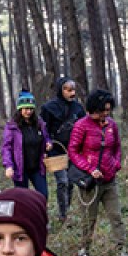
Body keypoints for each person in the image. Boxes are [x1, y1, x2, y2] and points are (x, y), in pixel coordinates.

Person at [67, 89, 128, 256]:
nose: (105, 114)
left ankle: (121, 252)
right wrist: (88, 169)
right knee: (89, 219)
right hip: (90, 183)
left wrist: (116, 164)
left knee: (116, 216)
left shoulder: (112, 125)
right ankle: (84, 251)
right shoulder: (82, 125)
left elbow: (116, 147)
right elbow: (73, 151)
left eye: (108, 110)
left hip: (109, 180)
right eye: (102, 111)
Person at [41, 77, 86, 221]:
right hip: (55, 150)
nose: (71, 93)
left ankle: (65, 213)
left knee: (71, 182)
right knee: (63, 181)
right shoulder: (49, 108)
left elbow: (85, 127)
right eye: (68, 90)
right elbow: (42, 129)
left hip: (73, 151)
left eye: (73, 90)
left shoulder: (78, 108)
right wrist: (44, 149)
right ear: (61, 90)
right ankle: (62, 214)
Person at [2, 91, 52, 198]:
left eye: (31, 109)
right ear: (20, 109)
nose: (28, 111)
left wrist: (48, 143)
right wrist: (8, 166)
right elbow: (6, 147)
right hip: (20, 168)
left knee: (43, 195)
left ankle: (39, 214)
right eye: (25, 109)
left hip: (37, 167)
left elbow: (46, 137)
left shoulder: (39, 123)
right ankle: (24, 215)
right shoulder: (12, 126)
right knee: (22, 199)